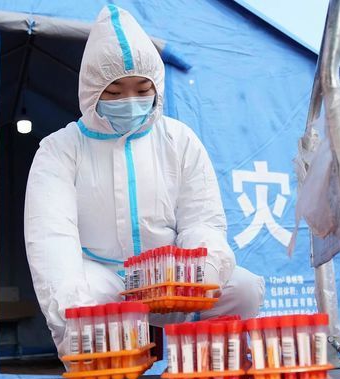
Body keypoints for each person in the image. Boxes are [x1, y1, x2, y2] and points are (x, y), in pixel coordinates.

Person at [24, 5, 265, 359]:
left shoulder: (179, 140)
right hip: (104, 277)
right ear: (92, 90)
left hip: (171, 278)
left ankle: (201, 368)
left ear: (157, 86)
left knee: (242, 290)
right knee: (78, 305)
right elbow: (52, 236)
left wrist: (200, 274)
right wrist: (72, 310)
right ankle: (106, 371)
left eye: (141, 89)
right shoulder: (61, 149)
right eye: (115, 91)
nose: (130, 101)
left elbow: (202, 220)